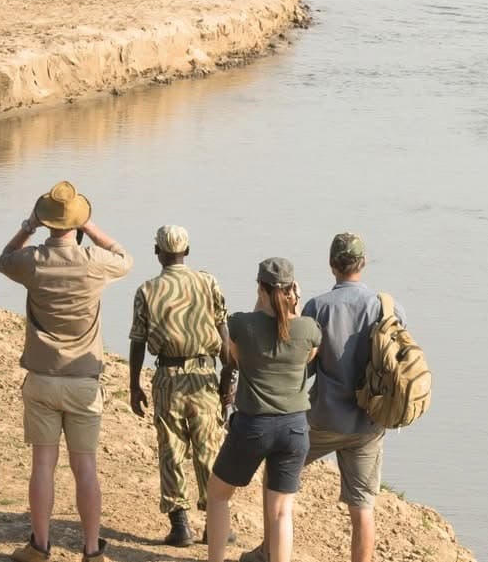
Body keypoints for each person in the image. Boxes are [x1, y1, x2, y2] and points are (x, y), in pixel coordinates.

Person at [0, 181, 133, 562]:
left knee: (43, 465)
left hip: (41, 379)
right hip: (84, 382)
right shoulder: (94, 262)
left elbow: (4, 259)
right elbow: (124, 256)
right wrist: (91, 227)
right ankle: (91, 550)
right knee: (85, 467)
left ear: (47, 221)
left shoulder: (34, 260)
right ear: (78, 222)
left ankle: (40, 546)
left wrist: (27, 226)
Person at [206, 258, 322, 562]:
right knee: (282, 512)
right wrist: (293, 309)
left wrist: (262, 306)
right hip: (295, 428)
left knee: (218, 495)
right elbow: (309, 356)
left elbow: (235, 358)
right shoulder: (309, 328)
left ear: (260, 287)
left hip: (253, 426)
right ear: (292, 289)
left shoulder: (241, 324)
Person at [127, 224, 233, 548]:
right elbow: (226, 339)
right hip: (204, 377)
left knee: (171, 450)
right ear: (187, 251)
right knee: (208, 451)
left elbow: (137, 343)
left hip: (168, 379)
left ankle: (180, 525)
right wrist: (229, 383)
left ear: (157, 252)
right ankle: (214, 526)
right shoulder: (208, 282)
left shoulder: (147, 290)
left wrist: (134, 385)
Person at [301, 233, 404, 562]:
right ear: (363, 263)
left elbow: (306, 367)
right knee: (362, 508)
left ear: (332, 265)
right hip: (369, 423)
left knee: (280, 472)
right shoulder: (388, 306)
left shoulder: (317, 307)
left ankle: (270, 550)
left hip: (323, 419)